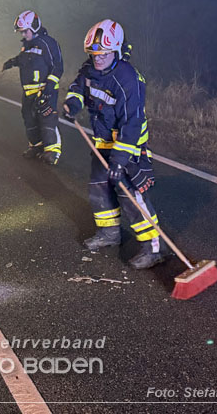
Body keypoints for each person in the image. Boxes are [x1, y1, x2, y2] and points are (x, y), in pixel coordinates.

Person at [63, 19, 164, 269]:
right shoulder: (90, 70)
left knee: (131, 197)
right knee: (99, 189)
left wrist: (120, 161)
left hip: (128, 148)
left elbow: (131, 124)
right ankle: (109, 234)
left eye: (103, 54)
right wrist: (72, 103)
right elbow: (78, 87)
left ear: (116, 50)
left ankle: (152, 248)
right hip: (102, 143)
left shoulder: (128, 79)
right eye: (94, 54)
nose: (97, 59)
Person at [2, 10, 63, 165]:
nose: (23, 35)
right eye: (21, 32)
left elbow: (57, 67)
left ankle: (52, 151)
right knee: (29, 119)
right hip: (28, 92)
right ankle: (36, 146)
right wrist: (12, 62)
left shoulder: (48, 43)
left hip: (44, 90)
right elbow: (23, 60)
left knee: (47, 119)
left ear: (34, 27)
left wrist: (49, 88)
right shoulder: (27, 46)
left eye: (25, 31)